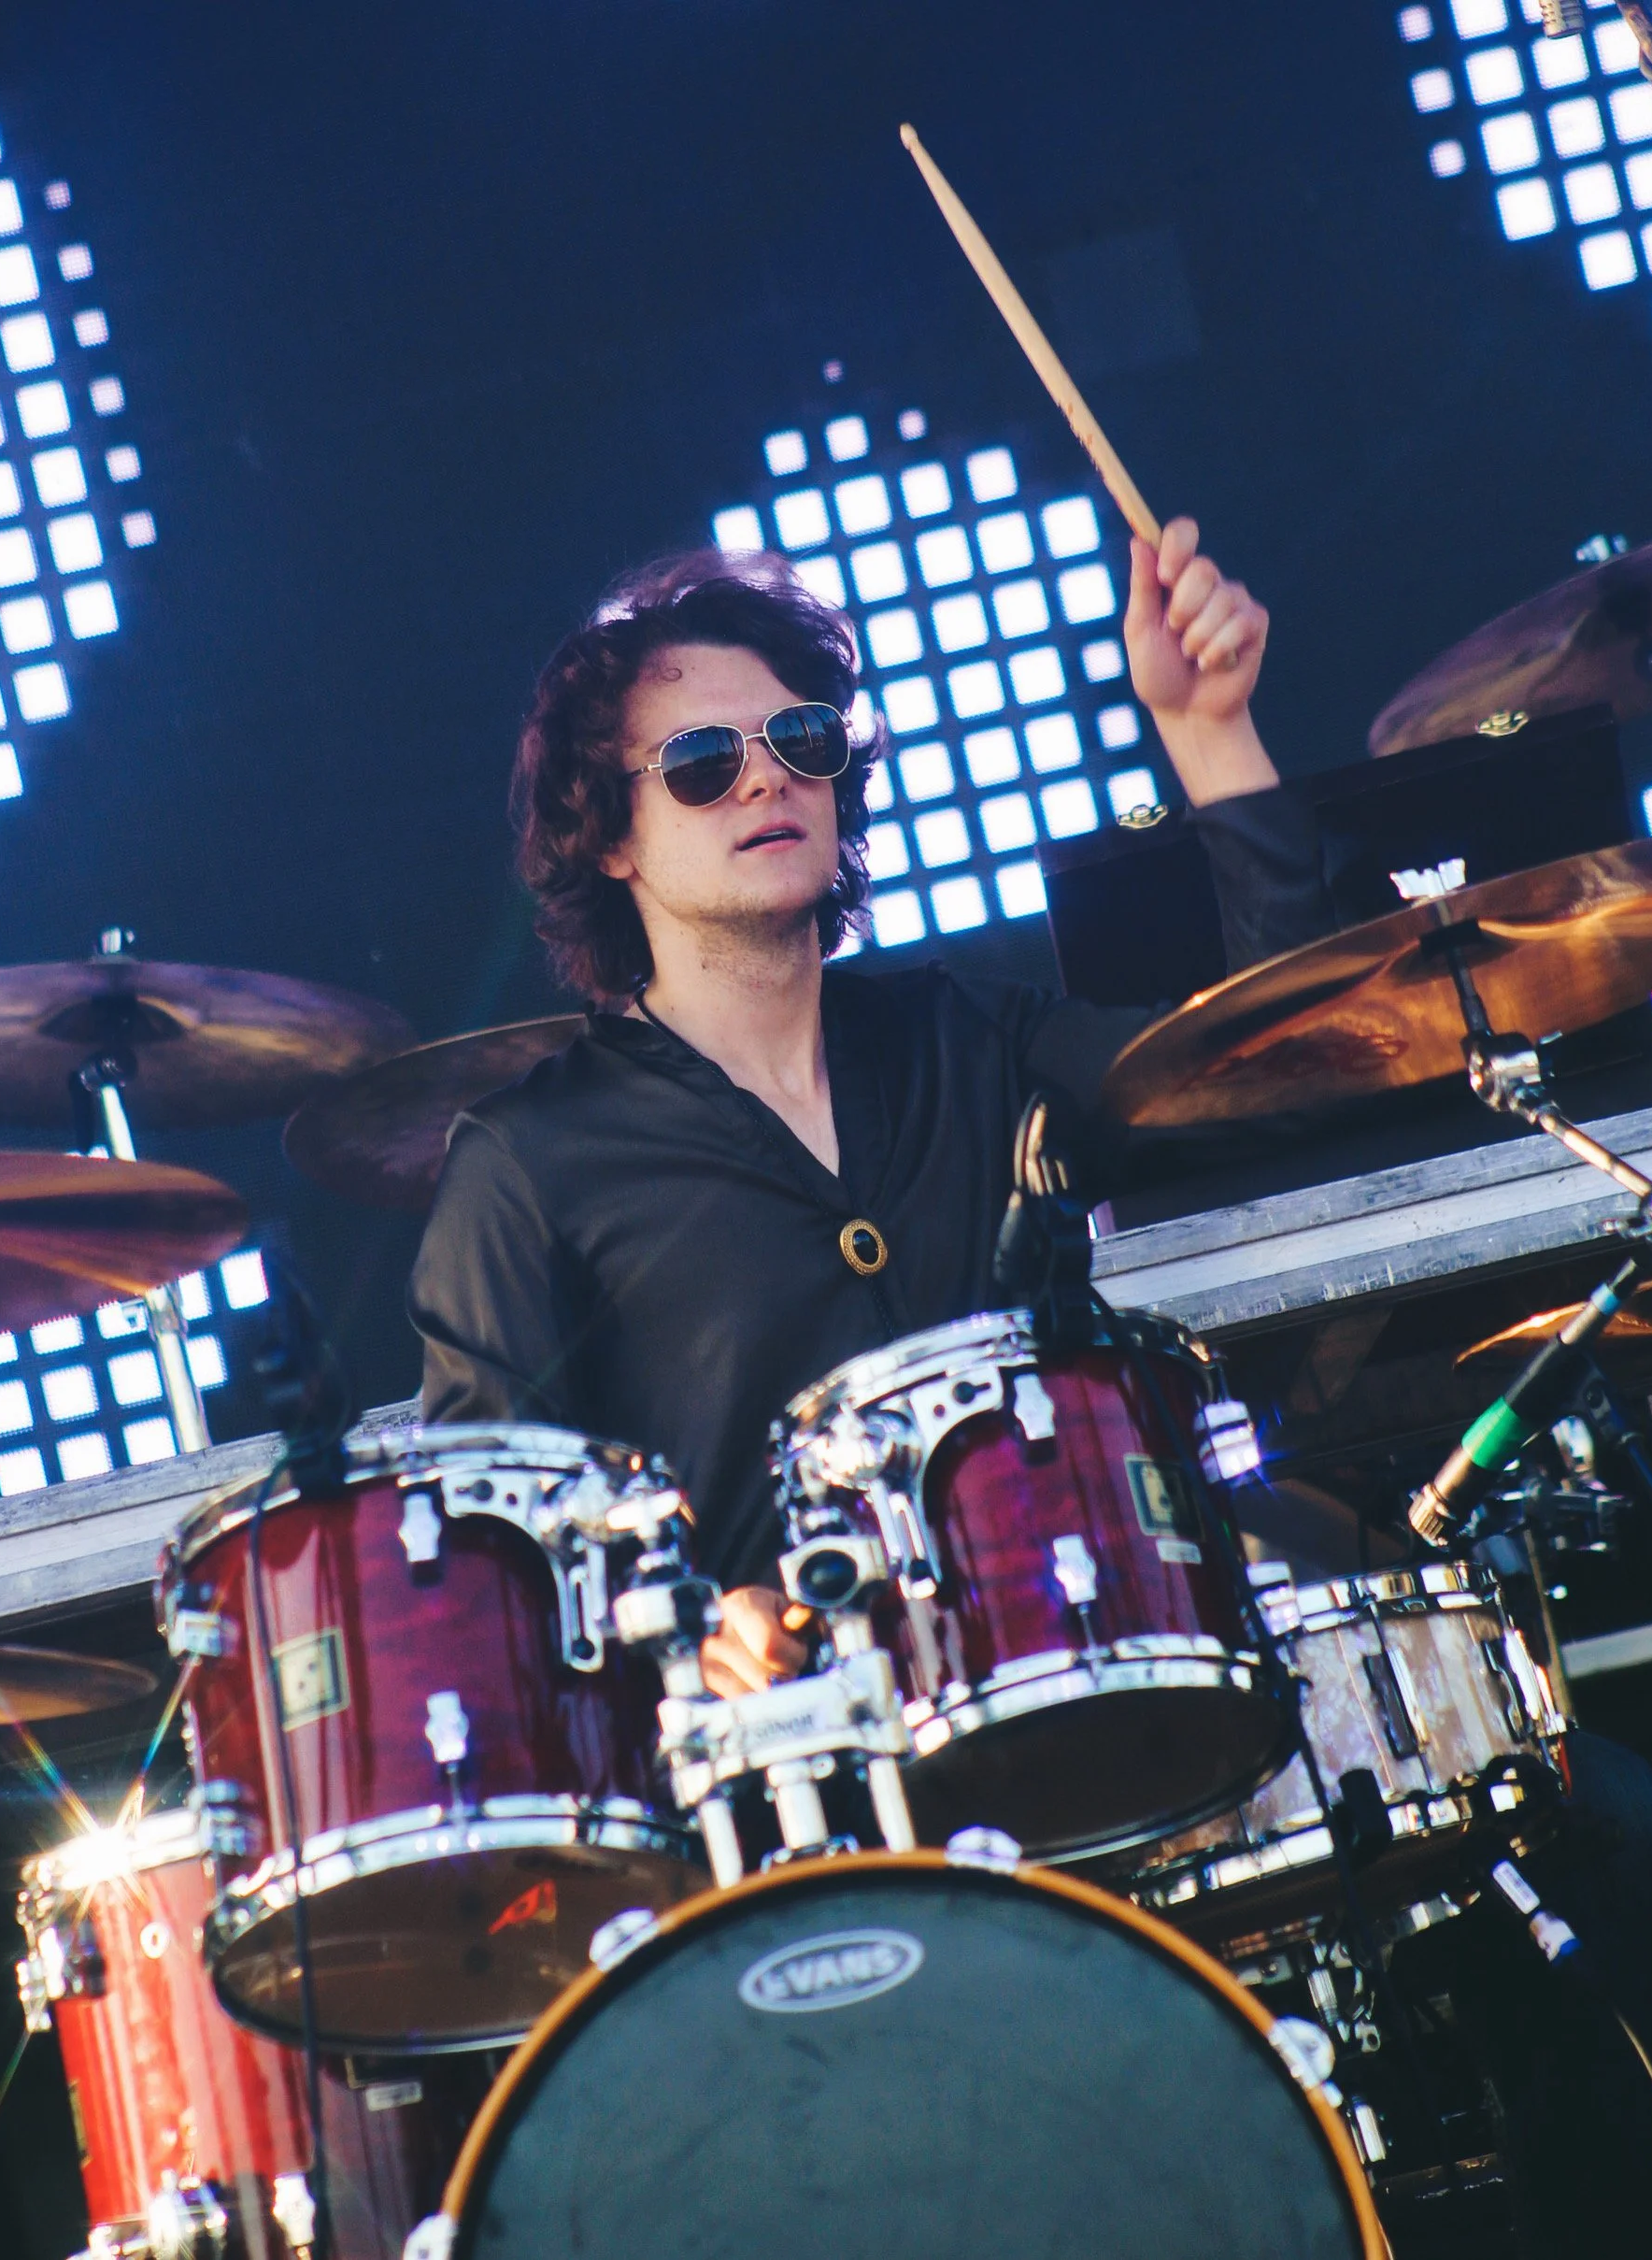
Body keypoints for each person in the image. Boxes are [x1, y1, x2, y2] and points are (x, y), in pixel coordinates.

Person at [408, 517, 1327, 1697]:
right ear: (608, 836)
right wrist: (684, 1620)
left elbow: (1291, 1076)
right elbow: (480, 1560)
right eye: (699, 762)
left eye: (799, 738)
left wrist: (1208, 734)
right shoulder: (528, 1164)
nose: (765, 775)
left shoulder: (968, 1040)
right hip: (790, 1798)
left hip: (1088, 1691)